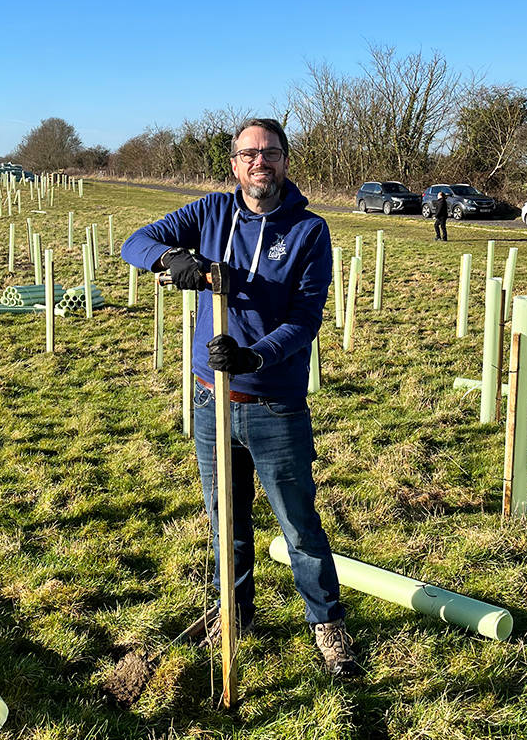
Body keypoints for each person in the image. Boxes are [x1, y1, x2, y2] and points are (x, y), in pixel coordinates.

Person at [121, 118, 357, 676]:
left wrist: (256, 357)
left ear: (285, 162)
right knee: (225, 519)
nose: (260, 162)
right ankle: (233, 615)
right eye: (249, 153)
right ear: (234, 164)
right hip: (211, 401)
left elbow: (305, 320)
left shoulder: (308, 231)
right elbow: (135, 243)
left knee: (299, 525)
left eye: (270, 153)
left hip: (273, 403)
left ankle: (328, 627)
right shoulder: (210, 214)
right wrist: (175, 261)